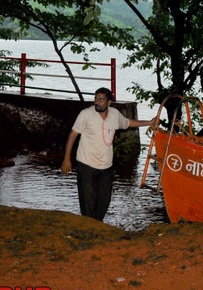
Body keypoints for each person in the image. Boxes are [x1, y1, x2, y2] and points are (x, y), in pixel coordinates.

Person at [61, 87, 154, 222]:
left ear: (109, 102)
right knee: (88, 201)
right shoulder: (85, 114)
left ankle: (97, 225)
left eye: (101, 100)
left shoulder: (115, 115)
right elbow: (73, 134)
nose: (97, 102)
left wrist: (149, 123)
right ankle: (88, 227)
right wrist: (66, 159)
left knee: (104, 200)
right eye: (95, 99)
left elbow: (128, 123)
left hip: (106, 166)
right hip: (86, 164)